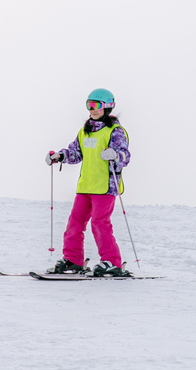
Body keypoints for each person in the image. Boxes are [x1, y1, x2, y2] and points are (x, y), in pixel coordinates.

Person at [44, 88, 132, 277]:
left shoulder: (115, 131)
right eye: (89, 105)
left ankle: (111, 262)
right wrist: (60, 156)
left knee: (100, 224)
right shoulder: (85, 131)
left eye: (96, 105)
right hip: (85, 186)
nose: (92, 109)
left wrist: (115, 154)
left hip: (105, 187)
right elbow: (75, 153)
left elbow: (125, 156)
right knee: (74, 224)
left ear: (107, 107)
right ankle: (73, 260)